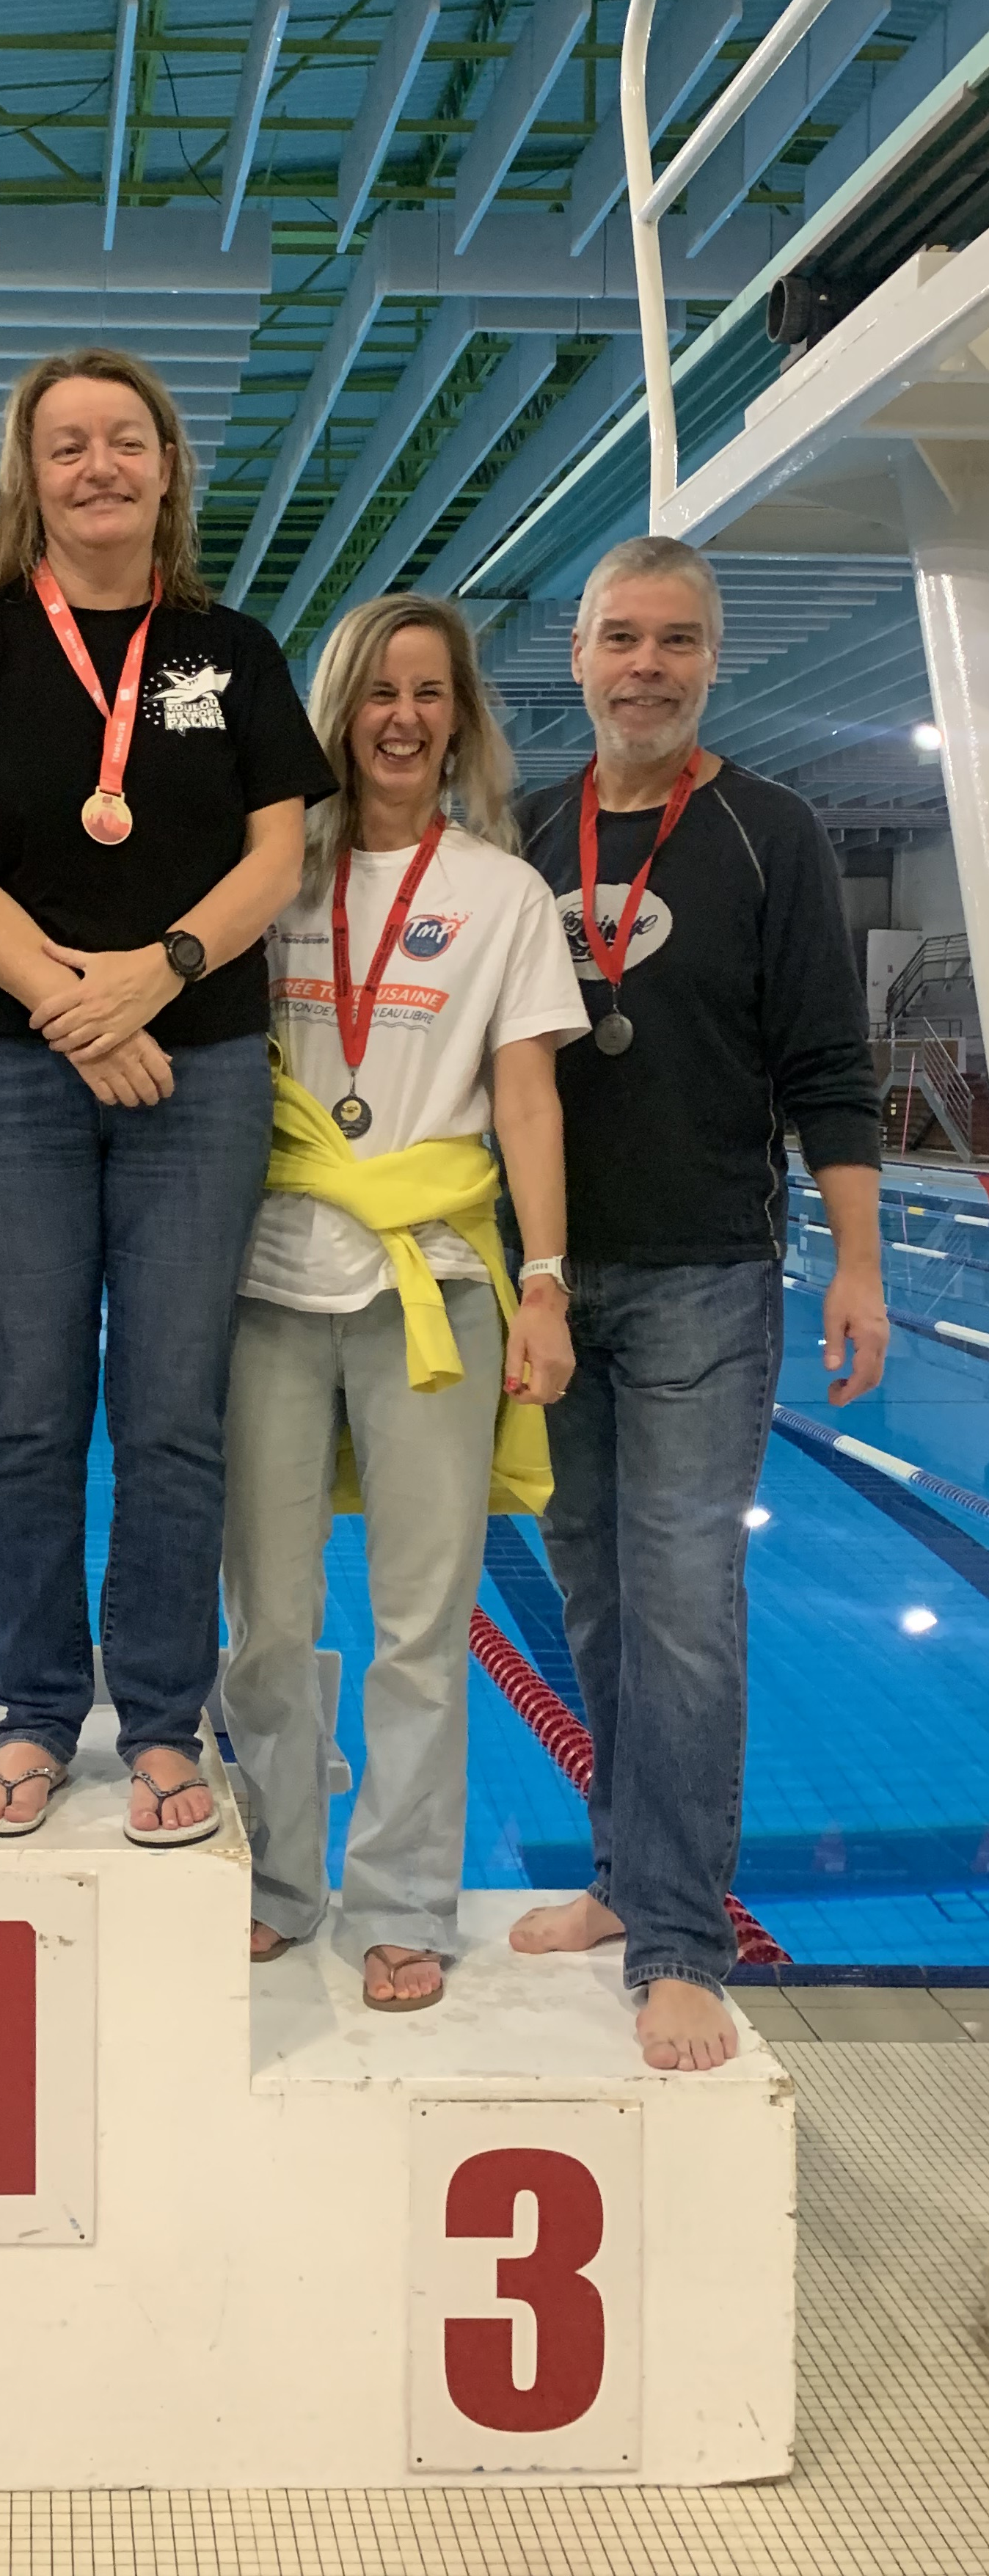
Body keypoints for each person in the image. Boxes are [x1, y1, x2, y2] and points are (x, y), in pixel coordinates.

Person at [0, 349, 332, 1843]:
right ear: (31, 474)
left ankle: (158, 1722)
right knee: (26, 1412)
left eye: (126, 440)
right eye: (67, 443)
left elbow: (276, 856)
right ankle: (32, 1713)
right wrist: (75, 1007)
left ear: (167, 468)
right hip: (8, 1068)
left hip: (194, 1068)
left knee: (170, 1417)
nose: (99, 466)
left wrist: (161, 971)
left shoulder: (232, 649)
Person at [512, 533, 887, 2071]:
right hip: (551, 1284)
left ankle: (680, 1937)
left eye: (676, 641)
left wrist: (860, 1260)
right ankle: (624, 1876)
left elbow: (829, 1064)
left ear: (712, 662)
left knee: (681, 1606)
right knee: (596, 1599)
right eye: (622, 638)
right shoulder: (528, 832)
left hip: (707, 1278)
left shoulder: (767, 831)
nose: (647, 667)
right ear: (579, 656)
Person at [219, 596, 585, 2006]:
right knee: (268, 1614)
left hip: (434, 1278)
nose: (404, 717)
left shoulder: (500, 894)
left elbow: (528, 1098)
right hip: (269, 1275)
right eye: (379, 689)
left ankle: (403, 1903)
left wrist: (544, 1284)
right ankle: (276, 1875)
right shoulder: (272, 873)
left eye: (430, 692)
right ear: (341, 709)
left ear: (461, 718)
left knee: (423, 1623)